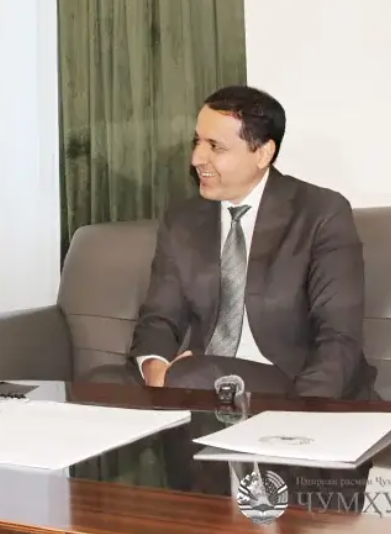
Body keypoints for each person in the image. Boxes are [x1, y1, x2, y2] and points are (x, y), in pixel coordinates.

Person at [129, 85, 377, 400]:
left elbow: (338, 337)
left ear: (262, 154)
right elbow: (159, 318)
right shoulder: (182, 221)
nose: (196, 158)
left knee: (192, 375)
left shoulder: (320, 213)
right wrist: (156, 374)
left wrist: (303, 412)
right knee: (99, 383)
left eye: (215, 146)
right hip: (199, 378)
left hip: (291, 385)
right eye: (197, 142)